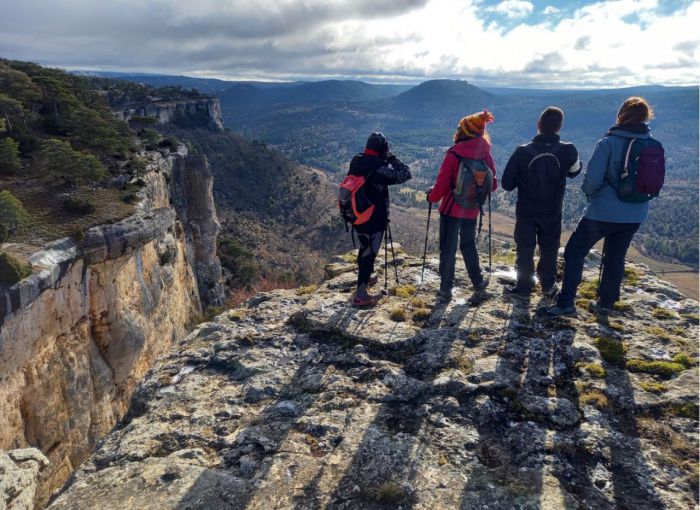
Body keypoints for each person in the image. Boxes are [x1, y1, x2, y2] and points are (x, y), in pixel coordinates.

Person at [545, 97, 659, 316]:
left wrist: (589, 193)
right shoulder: (652, 145)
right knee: (615, 257)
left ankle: (566, 302)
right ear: (645, 117)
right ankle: (606, 303)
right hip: (636, 213)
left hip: (602, 213)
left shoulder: (607, 143)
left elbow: (592, 181)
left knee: (575, 252)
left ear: (622, 115)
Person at [501, 106, 582, 297]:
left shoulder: (522, 152)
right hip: (553, 210)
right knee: (549, 248)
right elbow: (574, 172)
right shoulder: (569, 150)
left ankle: (523, 287)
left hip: (527, 210)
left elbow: (507, 184)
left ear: (538, 125)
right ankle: (548, 286)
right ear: (559, 128)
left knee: (525, 248)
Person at [427, 110, 497, 303]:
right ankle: (478, 281)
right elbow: (494, 184)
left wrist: (431, 196)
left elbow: (441, 186)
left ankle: (446, 288)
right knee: (468, 244)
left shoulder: (454, 154)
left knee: (448, 247)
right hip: (472, 209)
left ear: (464, 131)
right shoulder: (485, 153)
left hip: (451, 209)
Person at [349, 132, 411, 307]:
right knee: (370, 252)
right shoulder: (379, 169)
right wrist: (391, 158)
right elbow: (406, 174)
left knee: (364, 248)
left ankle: (363, 281)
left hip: (357, 215)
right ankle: (361, 295)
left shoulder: (357, 161)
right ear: (382, 149)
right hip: (374, 218)